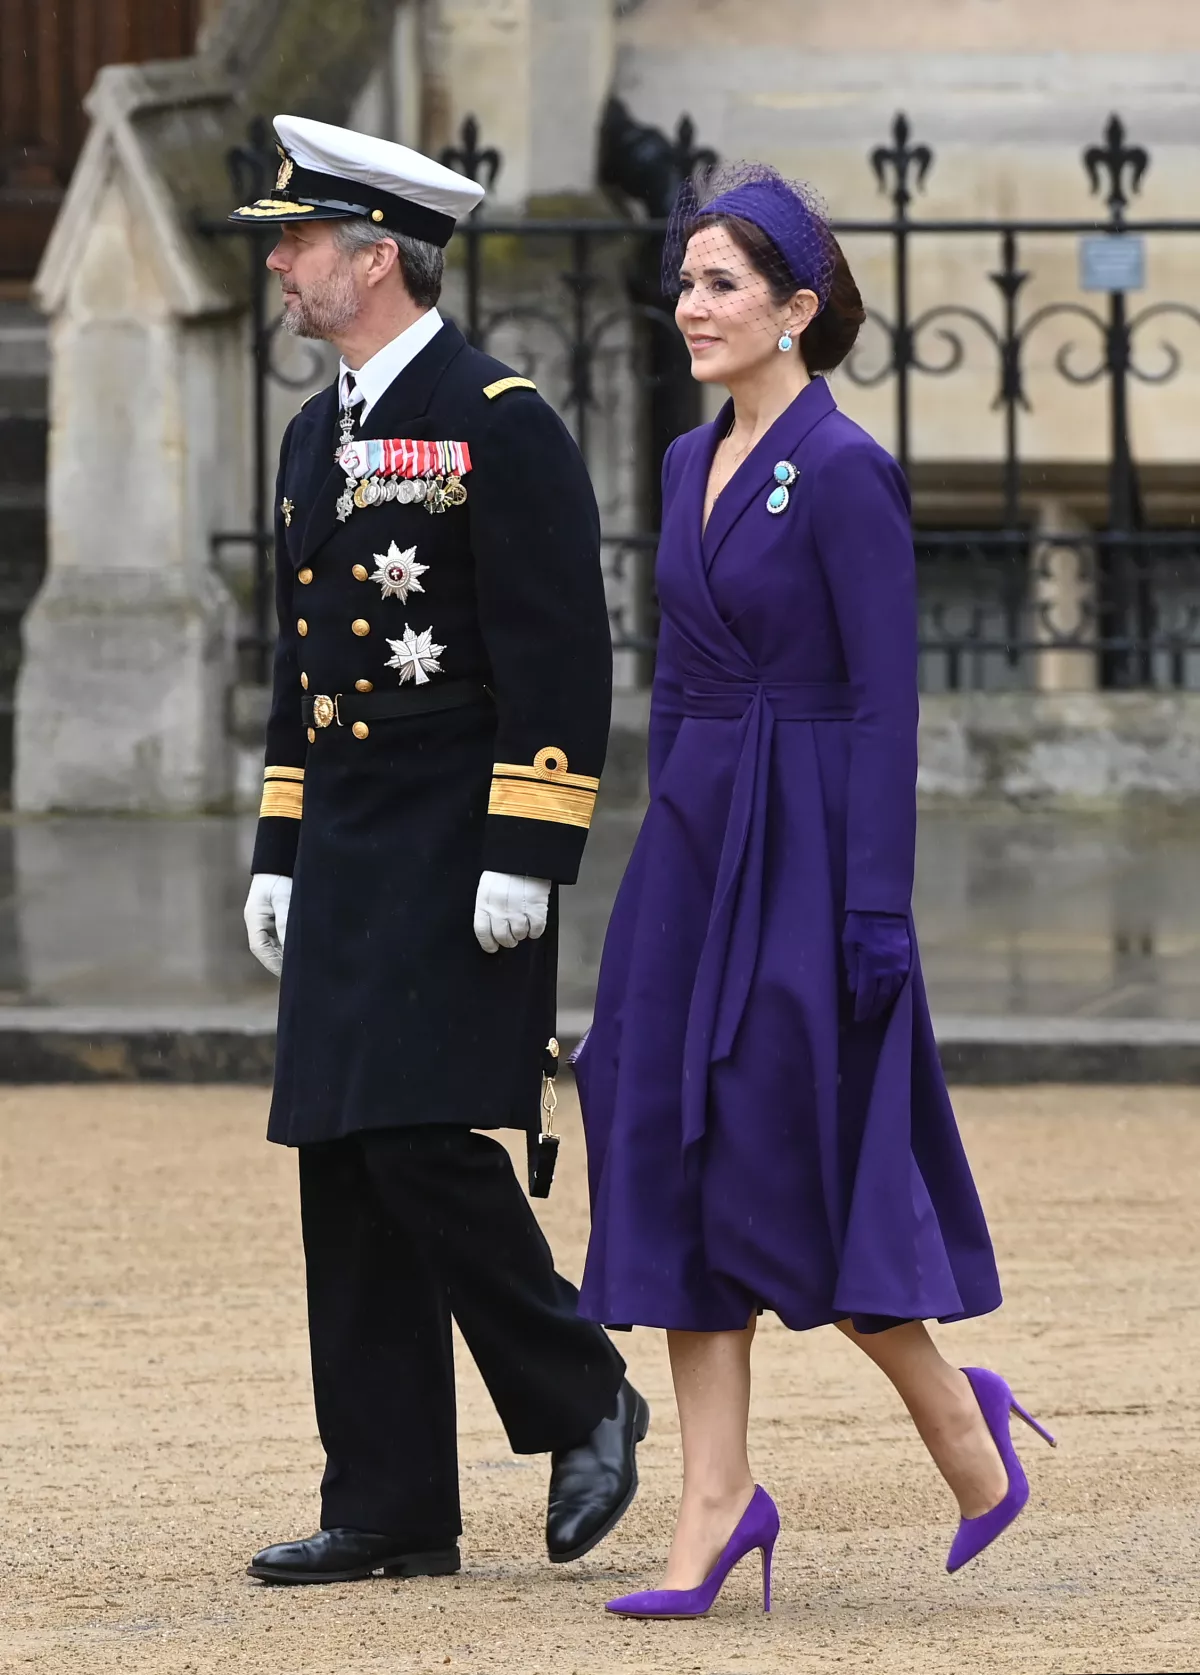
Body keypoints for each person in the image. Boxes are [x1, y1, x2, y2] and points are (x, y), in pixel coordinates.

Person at [572, 164, 1055, 1620]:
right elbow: (673, 685)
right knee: (653, 1136)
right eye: (685, 281)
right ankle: (716, 1500)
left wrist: (873, 909)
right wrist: (662, 845)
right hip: (695, 849)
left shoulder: (846, 470)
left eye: (723, 284)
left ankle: (962, 1424)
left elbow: (889, 704)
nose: (692, 307)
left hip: (811, 854)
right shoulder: (677, 462)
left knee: (799, 1154)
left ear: (797, 309)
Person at [233, 115, 646, 1586]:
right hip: (345, 843)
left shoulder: (502, 414)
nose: (278, 261)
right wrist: (277, 840)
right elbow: (299, 666)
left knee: (418, 1134)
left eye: (297, 238)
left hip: (458, 839)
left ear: (376, 254)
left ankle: (584, 1384)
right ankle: (393, 1498)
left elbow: (560, 654)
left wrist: (529, 844)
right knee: (339, 1159)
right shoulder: (311, 430)